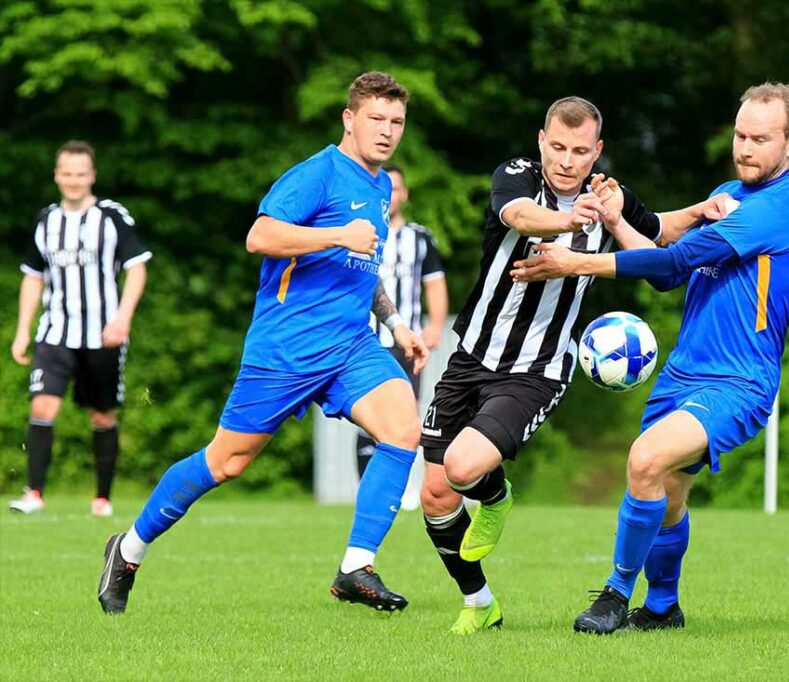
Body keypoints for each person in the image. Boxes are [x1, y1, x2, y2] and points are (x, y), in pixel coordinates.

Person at [96, 72, 428, 615]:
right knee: (225, 463)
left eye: (396, 122)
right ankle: (127, 550)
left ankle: (355, 568)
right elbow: (261, 236)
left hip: (349, 346)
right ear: (349, 119)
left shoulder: (381, 184)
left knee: (402, 430)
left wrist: (395, 324)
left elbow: (362, 267)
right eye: (376, 119)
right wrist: (336, 234)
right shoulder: (315, 176)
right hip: (286, 350)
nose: (387, 131)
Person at [418, 96, 735, 635]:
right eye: (558, 147)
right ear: (542, 141)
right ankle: (480, 602)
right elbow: (518, 216)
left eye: (580, 151)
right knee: (435, 496)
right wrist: (570, 220)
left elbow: (659, 229)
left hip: (535, 369)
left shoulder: (608, 197)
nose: (567, 160)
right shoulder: (515, 177)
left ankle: (495, 496)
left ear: (597, 151)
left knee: (465, 469)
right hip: (469, 355)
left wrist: (699, 211)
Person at [511, 83, 789, 634]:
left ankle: (615, 594)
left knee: (645, 460)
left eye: (761, 139)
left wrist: (576, 263)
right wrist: (616, 220)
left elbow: (676, 259)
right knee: (667, 491)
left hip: (739, 381)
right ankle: (663, 607)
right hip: (683, 373)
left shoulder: (778, 211)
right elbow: (669, 274)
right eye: (741, 136)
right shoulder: (732, 193)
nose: (745, 148)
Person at [9, 140, 151, 517]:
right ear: (57, 175)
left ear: (92, 176)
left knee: (102, 415)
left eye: (81, 173)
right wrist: (24, 330)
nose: (73, 180)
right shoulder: (45, 221)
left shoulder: (111, 217)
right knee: (42, 405)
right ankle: (34, 493)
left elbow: (137, 268)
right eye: (67, 173)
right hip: (55, 332)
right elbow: (32, 278)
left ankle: (102, 498)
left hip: (102, 333)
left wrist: (122, 317)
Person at [356, 165, 447, 479]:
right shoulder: (360, 232)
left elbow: (434, 283)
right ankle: (366, 486)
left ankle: (399, 485)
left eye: (396, 189)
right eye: (386, 188)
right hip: (367, 339)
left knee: (407, 414)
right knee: (369, 415)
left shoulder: (419, 238)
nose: (391, 195)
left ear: (405, 195)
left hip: (406, 340)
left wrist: (435, 325)